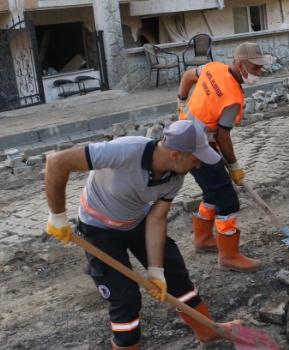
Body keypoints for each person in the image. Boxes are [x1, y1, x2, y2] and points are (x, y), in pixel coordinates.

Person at [44, 121, 244, 349]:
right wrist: (57, 216)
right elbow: (57, 161)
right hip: (99, 228)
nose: (198, 164)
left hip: (137, 219)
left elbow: (157, 218)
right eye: (196, 158)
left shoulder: (175, 176)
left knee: (174, 275)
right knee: (125, 297)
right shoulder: (124, 150)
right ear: (176, 155)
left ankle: (207, 331)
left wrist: (156, 271)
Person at [176, 41, 269, 272]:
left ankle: (203, 240)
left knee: (212, 190)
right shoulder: (233, 98)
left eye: (261, 68)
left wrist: (181, 100)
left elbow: (188, 76)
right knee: (228, 200)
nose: (260, 73)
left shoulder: (212, 67)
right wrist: (234, 167)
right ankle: (229, 257)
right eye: (255, 68)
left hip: (184, 134)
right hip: (198, 144)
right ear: (240, 65)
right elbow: (223, 137)